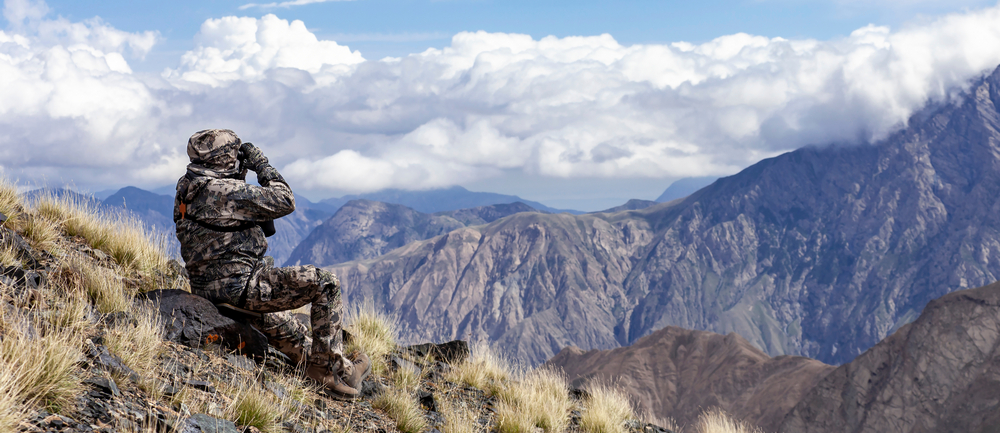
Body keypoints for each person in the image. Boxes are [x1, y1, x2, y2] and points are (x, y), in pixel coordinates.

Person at [173, 129, 369, 399]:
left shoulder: (187, 186)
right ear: (225, 158)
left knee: (297, 335)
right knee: (326, 284)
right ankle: (324, 374)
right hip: (242, 289)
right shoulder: (228, 191)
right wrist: (262, 166)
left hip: (207, 289)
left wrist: (237, 174)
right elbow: (286, 200)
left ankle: (347, 371)